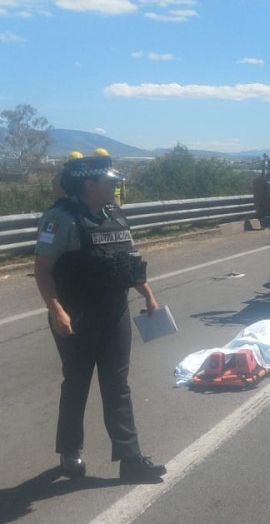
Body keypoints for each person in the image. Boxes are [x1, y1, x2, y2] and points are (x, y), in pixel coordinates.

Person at [33, 152, 168, 483]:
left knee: (117, 385)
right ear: (89, 184)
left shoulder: (115, 216)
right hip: (76, 314)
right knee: (77, 383)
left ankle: (130, 458)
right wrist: (57, 310)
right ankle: (70, 451)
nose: (116, 185)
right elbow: (42, 270)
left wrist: (147, 294)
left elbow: (129, 264)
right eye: (110, 181)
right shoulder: (60, 219)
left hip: (115, 312)